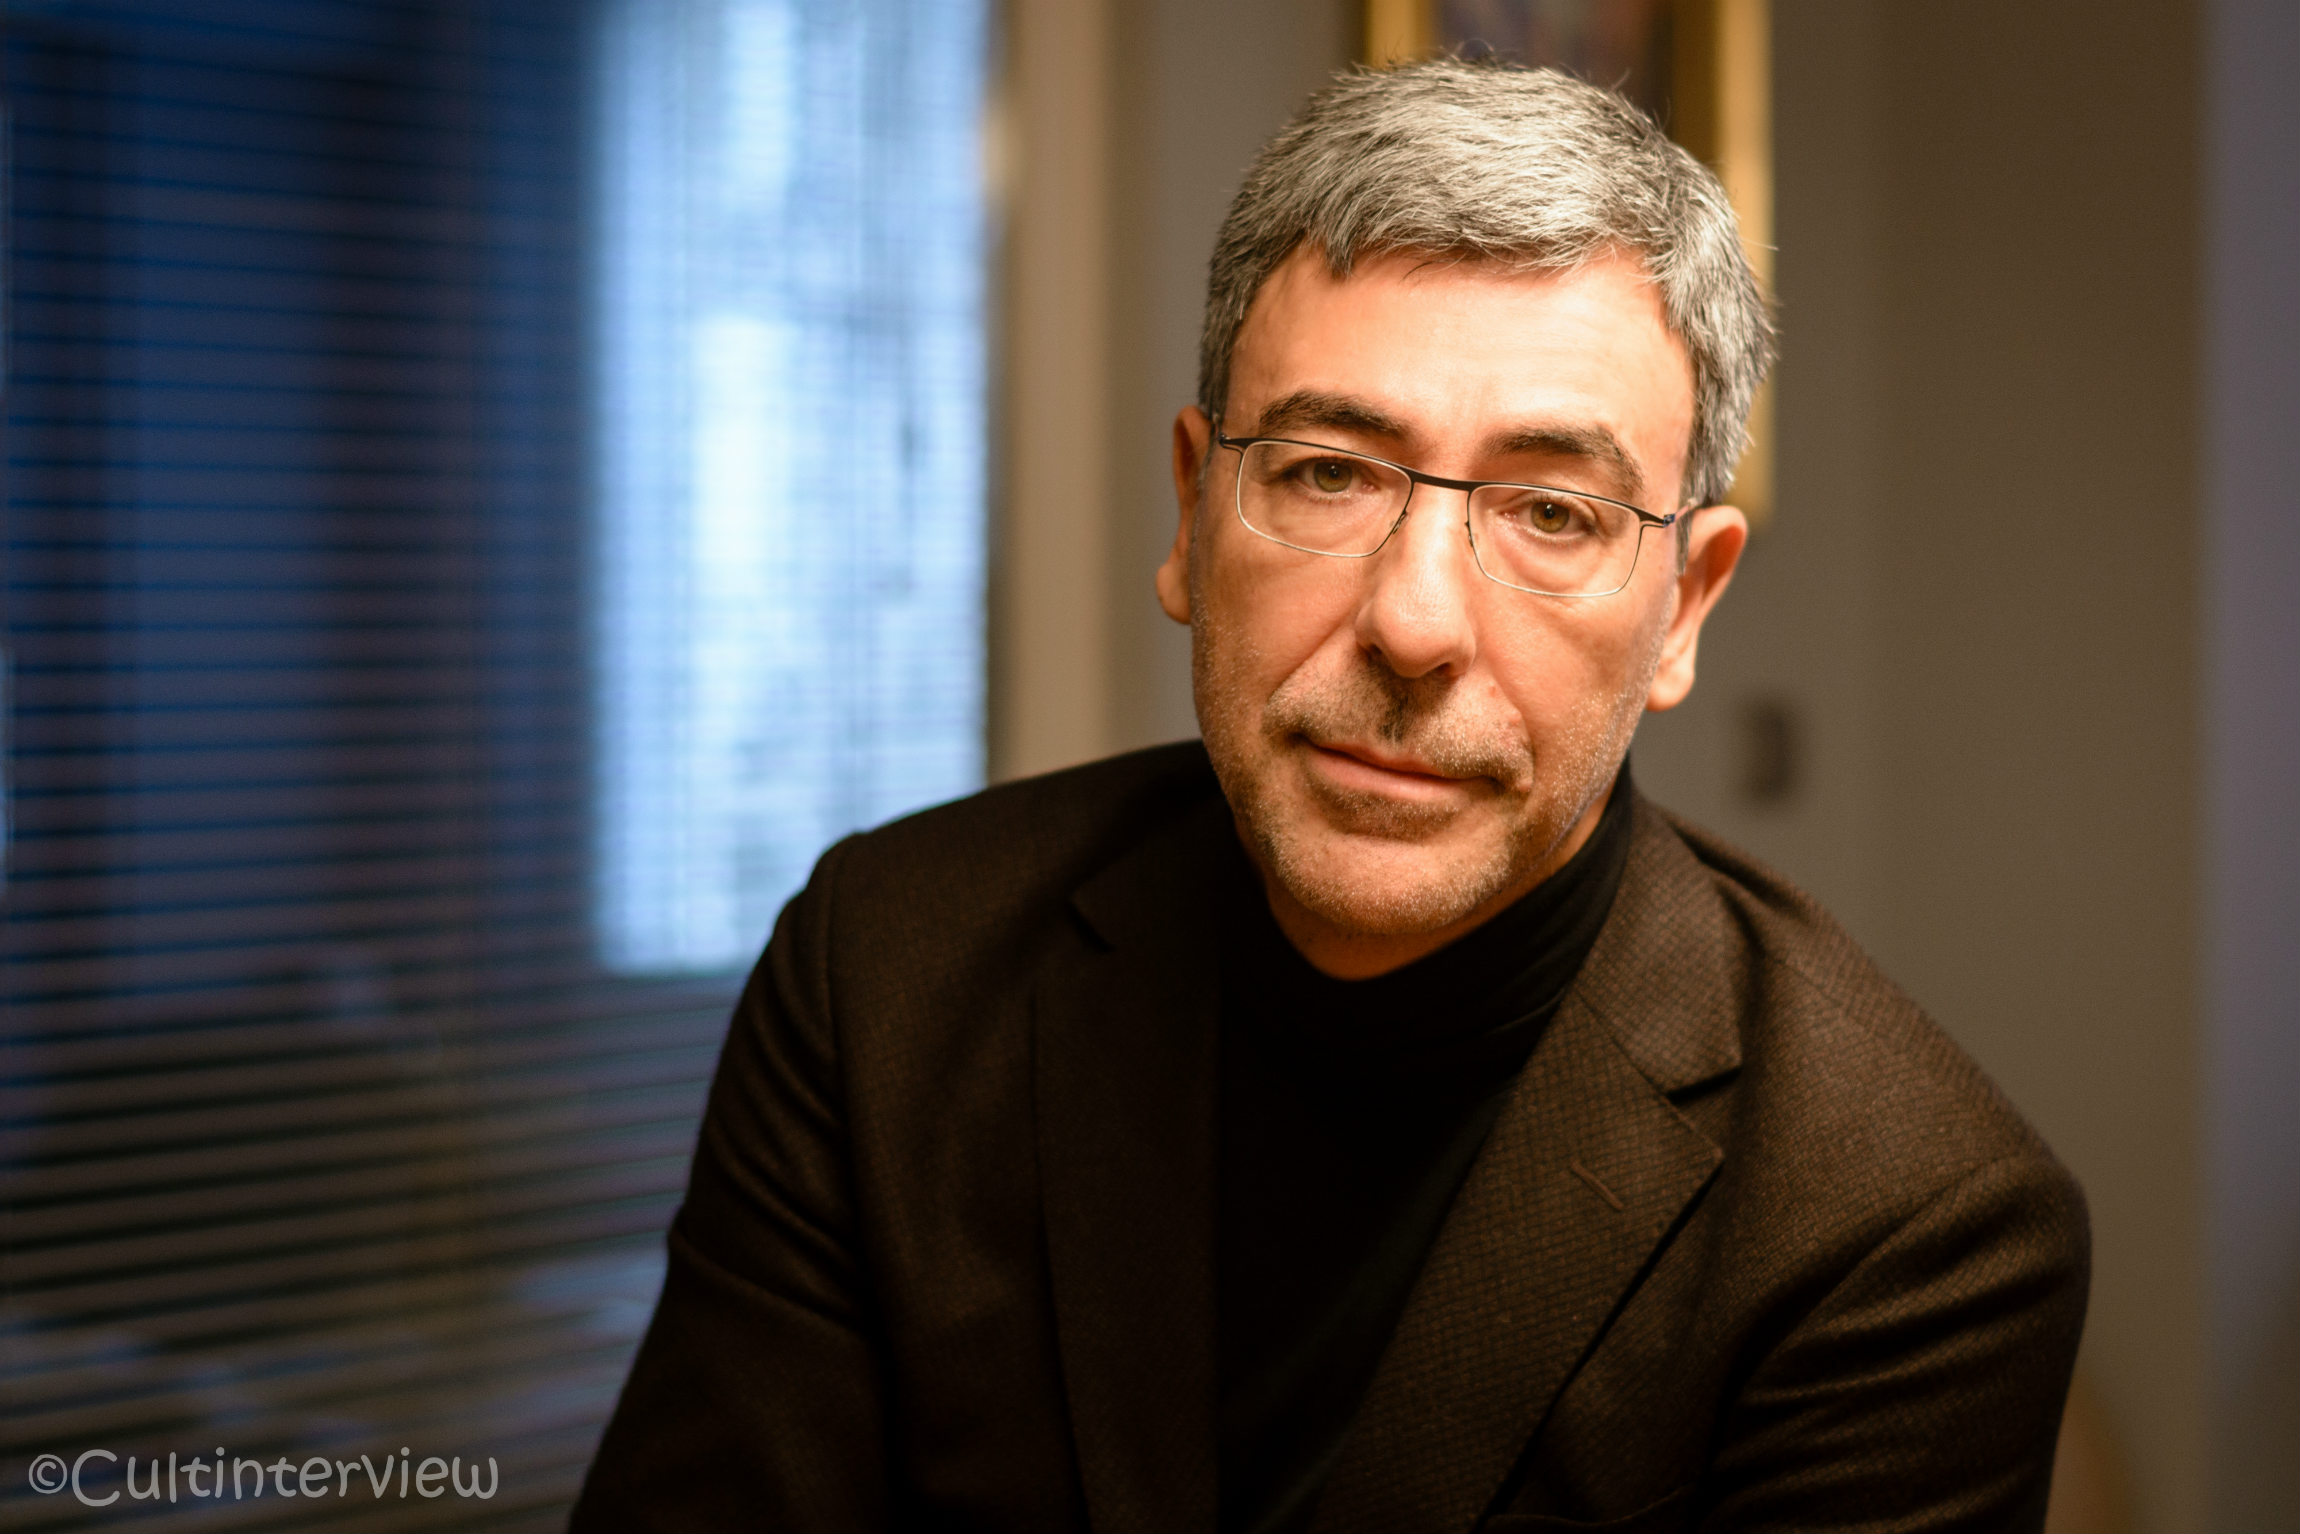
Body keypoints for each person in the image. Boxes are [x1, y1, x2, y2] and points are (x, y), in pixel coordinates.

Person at [571, 60, 2088, 1534]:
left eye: (1552, 510)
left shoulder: (1907, 1225)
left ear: (1683, 608)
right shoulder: (889, 972)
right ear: (1192, 512)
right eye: (1328, 473)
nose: (1414, 623)